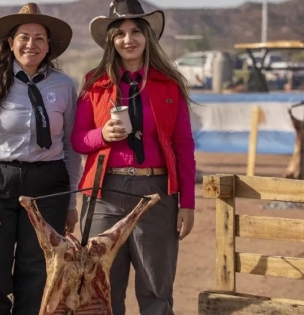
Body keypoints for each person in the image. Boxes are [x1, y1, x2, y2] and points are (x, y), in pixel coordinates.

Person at [70, 1, 196, 314]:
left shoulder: (170, 85)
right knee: (103, 289)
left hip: (156, 195)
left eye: (136, 31)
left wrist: (188, 203)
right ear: (111, 41)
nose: (129, 39)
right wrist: (103, 136)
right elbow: (77, 140)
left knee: (156, 289)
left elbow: (184, 146)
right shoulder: (94, 84)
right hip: (104, 195)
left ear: (147, 37)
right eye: (121, 33)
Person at [0, 3, 81, 315]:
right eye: (23, 37)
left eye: (39, 38)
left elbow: (69, 146)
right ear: (10, 42)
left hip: (48, 186)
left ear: (49, 45)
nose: (31, 44)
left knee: (36, 275)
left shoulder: (64, 86)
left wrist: (69, 204)